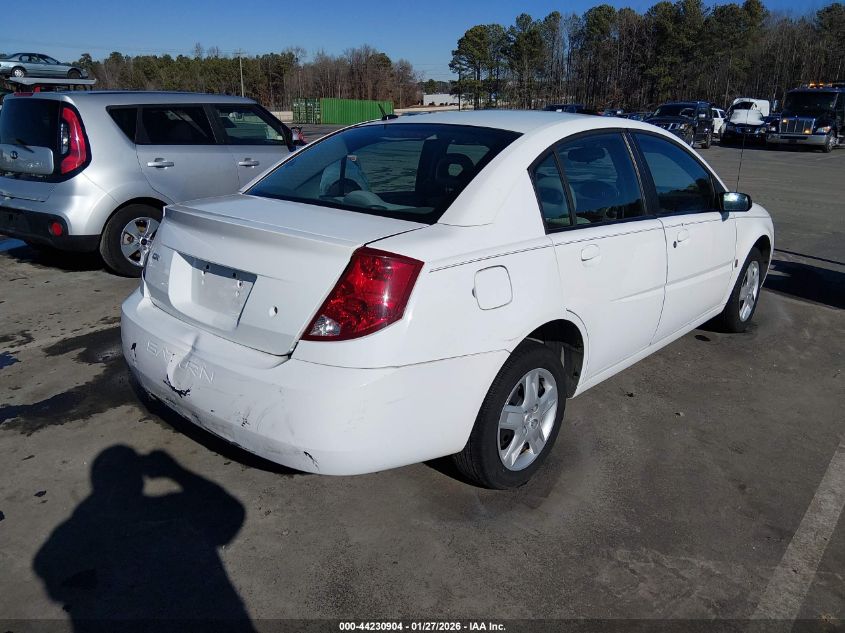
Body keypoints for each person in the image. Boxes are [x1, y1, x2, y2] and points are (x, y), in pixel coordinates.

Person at [33, 445, 254, 632]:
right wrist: (175, 471)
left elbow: (61, 587)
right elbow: (231, 513)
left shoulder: (62, 540)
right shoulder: (168, 514)